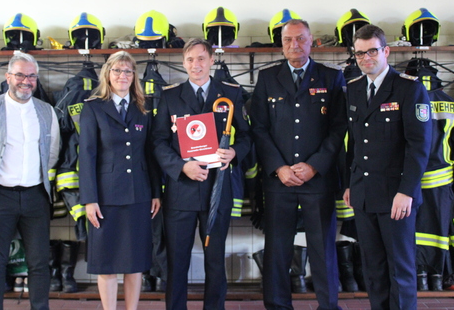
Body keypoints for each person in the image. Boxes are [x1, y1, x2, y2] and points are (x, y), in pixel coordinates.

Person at [250, 19, 346, 310]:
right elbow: (259, 129)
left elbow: (338, 127)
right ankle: (278, 305)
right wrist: (279, 168)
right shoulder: (267, 78)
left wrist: (315, 165)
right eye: (289, 40)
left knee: (322, 248)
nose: (295, 45)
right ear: (281, 43)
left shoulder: (332, 77)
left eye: (301, 39)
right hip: (279, 180)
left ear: (311, 40)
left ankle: (329, 305)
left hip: (317, 180)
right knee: (277, 249)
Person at [151, 38, 251, 310]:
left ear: (211, 61)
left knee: (215, 260)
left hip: (217, 190)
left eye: (201, 58)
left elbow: (245, 136)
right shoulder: (170, 95)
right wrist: (181, 166)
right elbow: (158, 141)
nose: (196, 65)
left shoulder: (230, 93)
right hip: (180, 191)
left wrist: (235, 154)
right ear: (184, 63)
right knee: (176, 261)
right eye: (190, 60)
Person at [0, 52, 60, 310]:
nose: (25, 81)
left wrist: (34, 178)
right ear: (8, 77)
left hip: (35, 196)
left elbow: (52, 152)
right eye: (20, 75)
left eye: (31, 76)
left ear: (36, 79)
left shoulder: (47, 111)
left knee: (39, 262)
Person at [343, 24, 432, 309]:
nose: (366, 58)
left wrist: (407, 191)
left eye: (372, 51)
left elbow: (419, 146)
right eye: (359, 53)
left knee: (400, 269)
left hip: (397, 196)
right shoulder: (355, 89)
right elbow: (354, 143)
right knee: (374, 269)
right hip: (364, 194)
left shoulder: (409, 89)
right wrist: (349, 183)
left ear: (386, 51)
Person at [79, 51, 161, 310]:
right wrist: (89, 199)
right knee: (107, 263)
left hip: (138, 195)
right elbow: (87, 155)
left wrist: (156, 192)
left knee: (134, 263)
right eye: (117, 71)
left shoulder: (144, 108)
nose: (122, 76)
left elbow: (151, 154)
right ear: (107, 74)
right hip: (105, 198)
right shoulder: (93, 107)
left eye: (127, 71)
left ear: (134, 76)